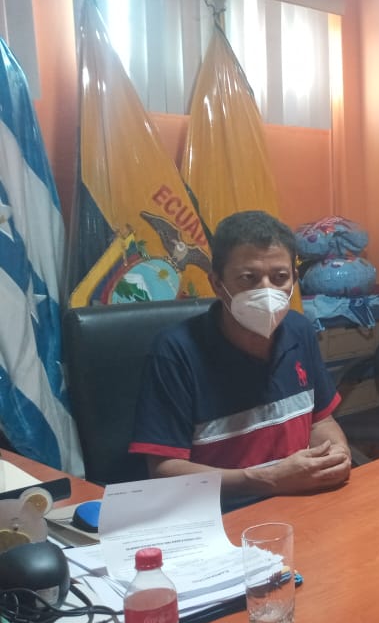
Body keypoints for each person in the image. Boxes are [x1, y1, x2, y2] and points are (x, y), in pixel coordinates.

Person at [130, 210, 353, 499]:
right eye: (249, 278)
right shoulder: (175, 352)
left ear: (294, 279)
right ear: (217, 283)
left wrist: (337, 453)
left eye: (280, 277)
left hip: (297, 501)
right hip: (223, 512)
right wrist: (268, 480)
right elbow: (163, 470)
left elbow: (321, 421)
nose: (267, 290)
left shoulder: (299, 330)